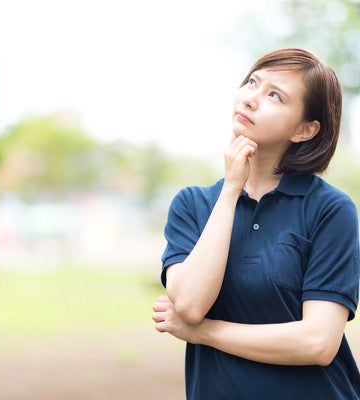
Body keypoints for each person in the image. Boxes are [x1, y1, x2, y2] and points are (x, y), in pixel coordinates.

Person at [152, 48, 360, 399]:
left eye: (274, 95)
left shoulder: (330, 210)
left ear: (305, 129)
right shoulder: (192, 205)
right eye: (252, 82)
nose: (251, 99)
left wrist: (202, 333)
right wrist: (232, 189)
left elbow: (318, 342)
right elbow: (189, 304)